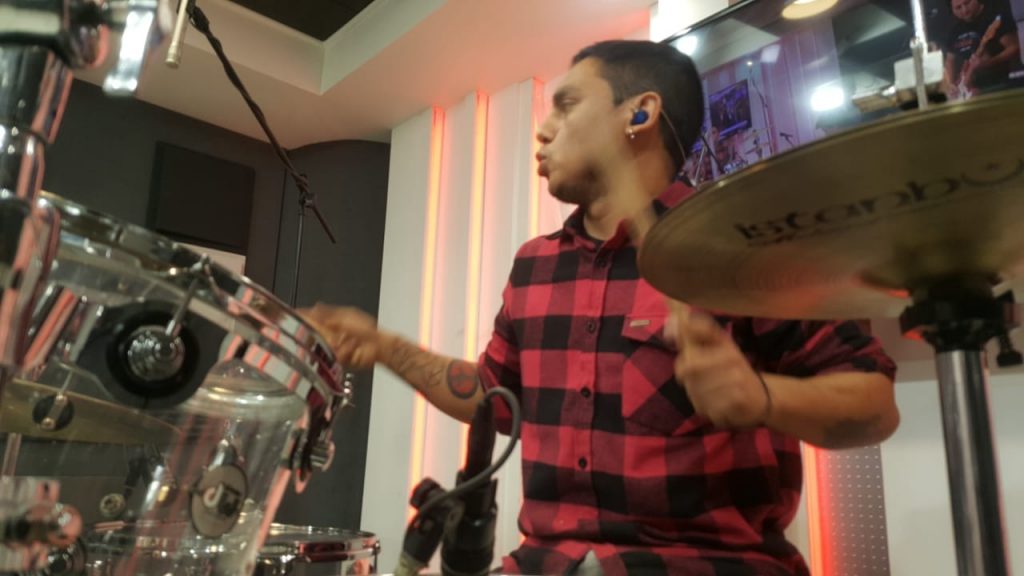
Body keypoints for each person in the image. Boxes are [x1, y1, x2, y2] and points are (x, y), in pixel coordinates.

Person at [304, 40, 899, 576]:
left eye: (566, 106)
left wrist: (762, 397)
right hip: (543, 562)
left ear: (640, 114)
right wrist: (382, 346)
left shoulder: (746, 246)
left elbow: (873, 405)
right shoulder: (534, 264)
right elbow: (495, 400)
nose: (543, 131)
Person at [944, 0, 1021, 99]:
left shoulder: (995, 18)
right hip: (970, 90)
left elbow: (1014, 48)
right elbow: (949, 60)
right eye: (958, 7)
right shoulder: (955, 31)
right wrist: (950, 84)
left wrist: (989, 62)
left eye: (967, 3)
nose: (964, 10)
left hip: (1000, 84)